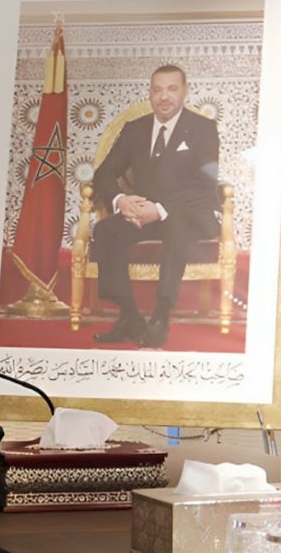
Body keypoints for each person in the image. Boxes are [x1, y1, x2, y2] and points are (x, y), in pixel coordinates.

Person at [90, 65, 220, 348]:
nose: (164, 97)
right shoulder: (134, 129)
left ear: (184, 91)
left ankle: (161, 315)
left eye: (172, 89)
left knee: (176, 226)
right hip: (144, 214)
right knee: (106, 230)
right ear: (149, 93)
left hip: (188, 214)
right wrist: (121, 200)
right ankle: (129, 316)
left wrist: (159, 209)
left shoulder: (204, 129)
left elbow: (204, 187)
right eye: (157, 90)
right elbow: (104, 174)